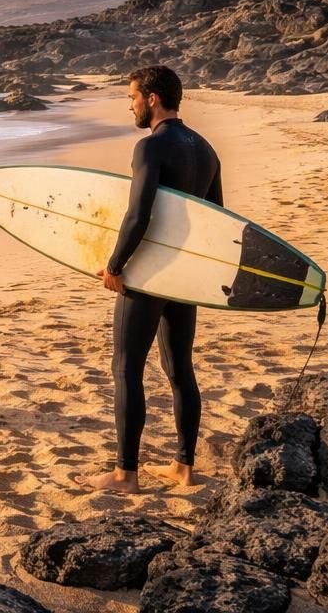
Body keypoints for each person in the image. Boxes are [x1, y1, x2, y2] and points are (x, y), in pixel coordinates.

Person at [74, 66, 222, 494]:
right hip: (183, 276)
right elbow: (216, 220)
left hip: (150, 274)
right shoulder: (206, 150)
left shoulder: (150, 146)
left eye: (133, 97)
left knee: (126, 368)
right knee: (180, 370)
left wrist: (115, 265)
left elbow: (138, 214)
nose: (131, 105)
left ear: (152, 98)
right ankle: (184, 468)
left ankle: (125, 475)